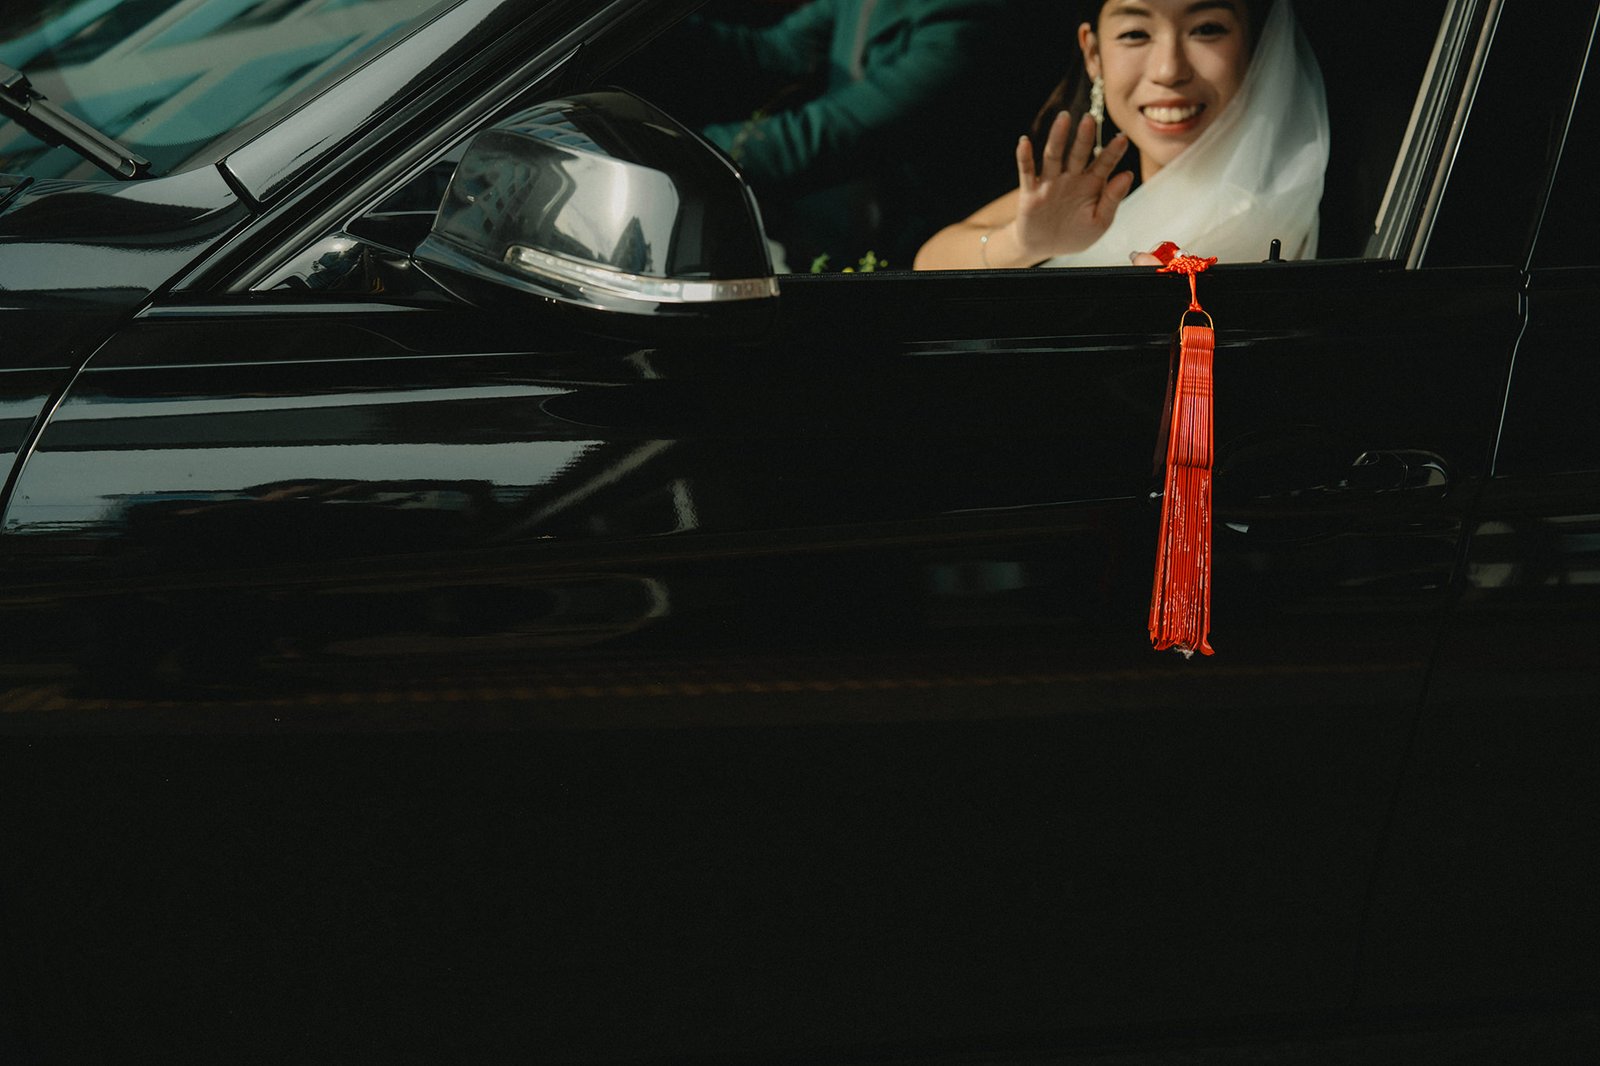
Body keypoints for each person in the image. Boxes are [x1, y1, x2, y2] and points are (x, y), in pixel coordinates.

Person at [629, 0, 1064, 270]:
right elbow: (781, 50)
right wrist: (639, 25)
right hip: (823, 231)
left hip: (897, 262)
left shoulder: (972, 20)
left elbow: (825, 136)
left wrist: (659, 154)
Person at [912, 0, 1328, 270]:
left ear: (1254, 45)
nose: (1169, 70)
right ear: (1093, 54)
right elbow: (928, 263)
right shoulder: (1088, 194)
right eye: (1135, 34)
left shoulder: (1290, 201)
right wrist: (1022, 243)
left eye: (1206, 29)